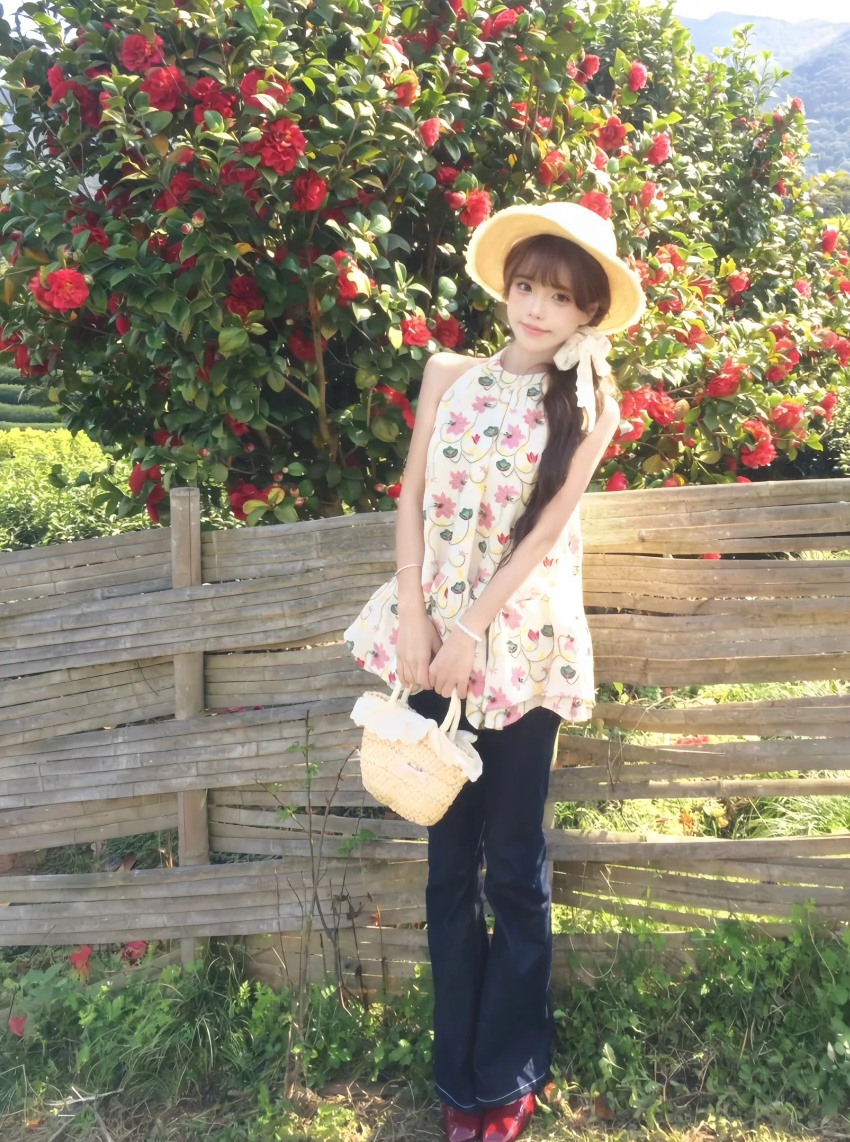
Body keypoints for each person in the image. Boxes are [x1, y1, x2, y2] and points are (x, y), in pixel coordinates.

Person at [343, 198, 644, 1142]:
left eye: (560, 296)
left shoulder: (590, 405)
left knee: (512, 863)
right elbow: (410, 499)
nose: (536, 308)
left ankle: (508, 1072)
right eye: (526, 287)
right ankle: (457, 1072)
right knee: (446, 867)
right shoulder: (447, 373)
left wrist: (473, 628)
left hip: (520, 650)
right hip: (428, 639)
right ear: (505, 290)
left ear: (587, 311)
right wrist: (418, 617)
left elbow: (547, 531)